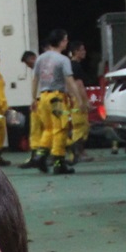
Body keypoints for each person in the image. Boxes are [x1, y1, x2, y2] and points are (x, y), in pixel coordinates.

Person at [26, 30, 83, 175]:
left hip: (43, 98)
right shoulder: (63, 60)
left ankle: (40, 155)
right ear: (60, 42)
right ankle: (59, 163)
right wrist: (78, 99)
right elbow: (69, 80)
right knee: (60, 129)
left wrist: (33, 98)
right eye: (65, 40)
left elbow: (35, 79)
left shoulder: (40, 59)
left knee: (48, 129)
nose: (66, 42)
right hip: (57, 98)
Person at [66, 40, 92, 163]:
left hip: (72, 99)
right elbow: (79, 85)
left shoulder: (70, 65)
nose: (84, 52)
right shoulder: (75, 66)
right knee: (80, 127)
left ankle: (79, 151)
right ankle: (77, 152)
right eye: (82, 50)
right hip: (76, 100)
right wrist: (84, 101)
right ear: (76, 52)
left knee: (83, 126)